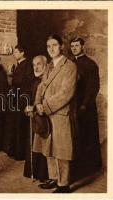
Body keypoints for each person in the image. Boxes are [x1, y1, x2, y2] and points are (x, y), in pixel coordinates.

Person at [34, 34, 77, 193]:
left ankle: (64, 184)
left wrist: (44, 106)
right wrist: (37, 103)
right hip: (45, 112)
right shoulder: (50, 65)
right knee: (48, 148)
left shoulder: (69, 66)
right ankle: (53, 178)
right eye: (48, 46)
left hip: (60, 114)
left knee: (62, 150)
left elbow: (66, 93)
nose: (51, 49)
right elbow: (41, 86)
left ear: (61, 47)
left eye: (54, 45)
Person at [70, 37, 102, 179]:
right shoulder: (70, 64)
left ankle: (92, 166)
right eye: (72, 46)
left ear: (82, 47)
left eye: (77, 45)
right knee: (76, 137)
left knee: (88, 136)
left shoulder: (90, 64)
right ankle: (78, 167)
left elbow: (93, 88)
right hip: (73, 105)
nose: (74, 48)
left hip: (85, 107)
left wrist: (84, 105)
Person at [4, 45, 35, 160]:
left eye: (16, 52)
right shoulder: (19, 65)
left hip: (22, 98)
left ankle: (20, 152)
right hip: (17, 97)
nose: (14, 54)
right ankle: (15, 150)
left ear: (22, 53)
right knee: (15, 124)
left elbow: (23, 81)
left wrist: (13, 80)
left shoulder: (26, 65)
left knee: (20, 125)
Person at [23, 55, 49, 182]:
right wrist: (28, 107)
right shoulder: (35, 81)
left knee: (45, 145)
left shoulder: (49, 80)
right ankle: (36, 173)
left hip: (46, 117)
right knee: (34, 144)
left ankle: (46, 175)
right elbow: (31, 98)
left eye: (39, 64)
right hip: (35, 117)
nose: (36, 67)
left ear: (45, 64)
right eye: (34, 65)